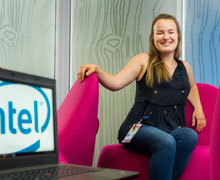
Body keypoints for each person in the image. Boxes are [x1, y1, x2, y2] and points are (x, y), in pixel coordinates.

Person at [77, 13, 206, 180]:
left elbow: (191, 87)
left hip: (172, 128)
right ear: (153, 38)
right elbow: (116, 82)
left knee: (189, 136)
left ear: (178, 36)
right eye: (160, 32)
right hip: (134, 130)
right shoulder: (144, 60)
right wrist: (98, 70)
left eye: (171, 32)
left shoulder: (185, 67)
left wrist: (198, 108)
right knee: (166, 142)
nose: (166, 36)